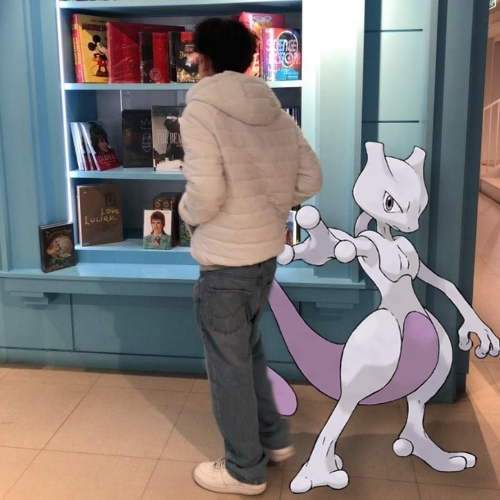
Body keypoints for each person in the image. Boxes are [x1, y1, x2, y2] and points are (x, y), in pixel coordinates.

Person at [178, 17, 323, 496]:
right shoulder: (275, 111)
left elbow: (205, 195)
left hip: (224, 263)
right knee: (248, 353)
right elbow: (311, 179)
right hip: (264, 258)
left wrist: (186, 213)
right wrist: (272, 205)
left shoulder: (201, 111)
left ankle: (244, 470)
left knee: (229, 367)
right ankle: (273, 440)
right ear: (246, 60)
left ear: (204, 58)